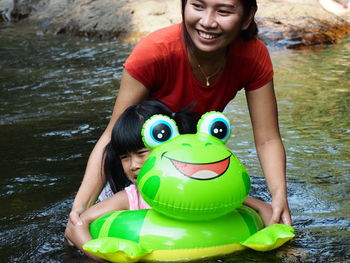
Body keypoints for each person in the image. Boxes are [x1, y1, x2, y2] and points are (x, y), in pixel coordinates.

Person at [67, 0, 292, 230]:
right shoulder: (154, 52)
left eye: (223, 11)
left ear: (246, 17)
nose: (207, 21)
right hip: (141, 167)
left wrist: (279, 196)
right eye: (197, 6)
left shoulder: (252, 55)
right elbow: (110, 136)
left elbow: (267, 139)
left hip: (192, 164)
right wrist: (80, 207)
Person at [65, 100, 274, 259]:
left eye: (141, 153)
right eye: (124, 157)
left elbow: (264, 209)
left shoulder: (203, 188)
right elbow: (79, 224)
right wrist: (99, 257)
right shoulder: (130, 198)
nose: (134, 165)